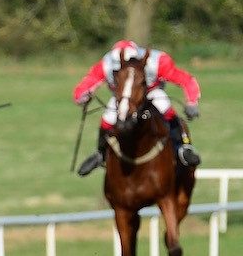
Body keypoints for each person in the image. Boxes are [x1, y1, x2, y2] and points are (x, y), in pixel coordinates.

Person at [72, 40, 201, 175]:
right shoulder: (106, 63)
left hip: (151, 91)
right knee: (107, 119)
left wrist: (192, 102)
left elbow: (185, 79)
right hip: (123, 97)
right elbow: (89, 81)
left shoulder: (157, 61)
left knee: (166, 109)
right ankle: (101, 153)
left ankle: (183, 148)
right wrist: (82, 96)